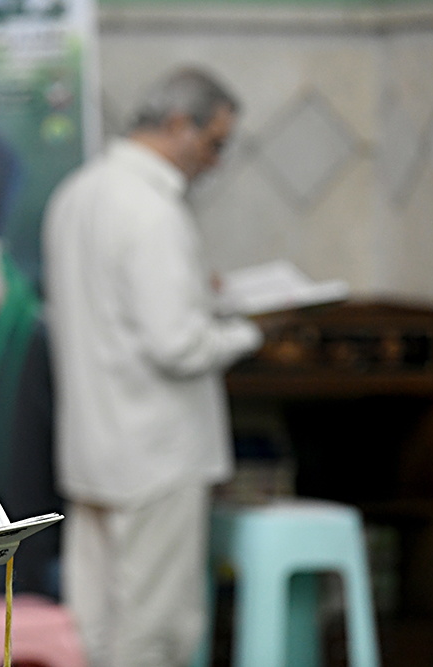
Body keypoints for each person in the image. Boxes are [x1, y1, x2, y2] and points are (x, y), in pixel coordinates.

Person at [42, 68, 264, 667]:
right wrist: (250, 332)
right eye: (214, 143)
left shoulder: (76, 193)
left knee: (94, 626)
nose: (216, 161)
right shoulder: (152, 209)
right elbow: (177, 345)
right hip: (156, 456)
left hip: (91, 450)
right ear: (177, 125)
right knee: (155, 630)